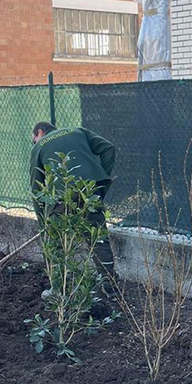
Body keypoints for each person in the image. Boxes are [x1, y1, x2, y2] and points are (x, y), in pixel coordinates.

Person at [29, 122, 117, 289]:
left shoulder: (39, 146)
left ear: (39, 133)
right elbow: (109, 148)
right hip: (90, 191)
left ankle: (58, 290)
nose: (34, 142)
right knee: (97, 237)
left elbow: (36, 189)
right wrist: (101, 180)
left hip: (61, 198)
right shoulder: (78, 131)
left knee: (55, 243)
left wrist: (43, 225)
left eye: (33, 139)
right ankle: (109, 286)